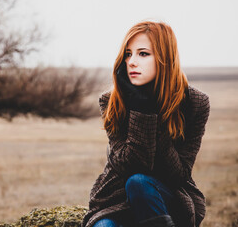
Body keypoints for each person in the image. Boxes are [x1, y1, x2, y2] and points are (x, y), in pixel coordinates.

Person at [82, 21, 210, 227]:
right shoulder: (112, 100)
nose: (131, 62)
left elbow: (178, 175)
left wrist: (152, 111)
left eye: (143, 54)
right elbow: (129, 165)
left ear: (165, 58)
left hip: (168, 197)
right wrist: (140, 108)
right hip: (116, 199)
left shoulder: (194, 102)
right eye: (128, 54)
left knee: (139, 182)